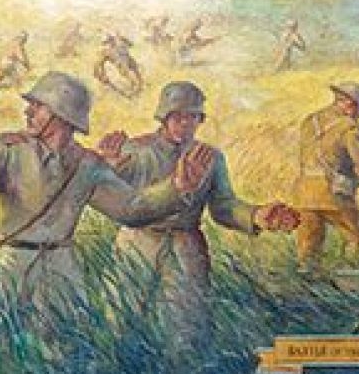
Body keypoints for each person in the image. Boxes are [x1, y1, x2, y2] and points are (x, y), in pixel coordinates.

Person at [0, 71, 215, 374]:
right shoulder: (6, 150)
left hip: (60, 263)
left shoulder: (88, 164)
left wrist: (176, 188)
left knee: (69, 345)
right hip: (9, 258)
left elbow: (131, 209)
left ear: (62, 114)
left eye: (38, 106)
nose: (28, 111)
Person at [99, 81, 299, 349]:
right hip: (139, 240)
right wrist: (109, 168)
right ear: (164, 117)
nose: (185, 123)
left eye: (192, 117)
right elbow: (119, 199)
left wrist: (257, 215)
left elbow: (223, 206)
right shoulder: (136, 150)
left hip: (186, 245)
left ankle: (184, 370)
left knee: (188, 325)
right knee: (122, 317)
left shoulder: (211, 157)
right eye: (178, 117)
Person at [292, 82, 359, 272]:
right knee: (357, 240)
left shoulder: (310, 121)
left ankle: (308, 283)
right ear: (350, 104)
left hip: (303, 193)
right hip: (333, 192)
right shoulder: (351, 128)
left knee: (308, 247)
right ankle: (353, 279)